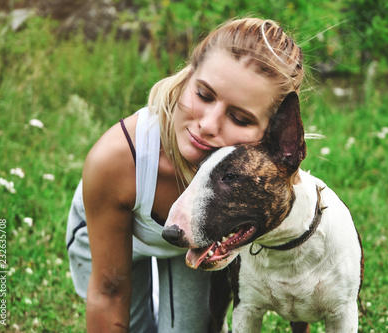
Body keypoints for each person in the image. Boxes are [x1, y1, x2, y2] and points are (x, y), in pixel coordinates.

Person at [66, 17, 304, 332]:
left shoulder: (266, 180)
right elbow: (109, 292)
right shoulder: (119, 158)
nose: (207, 125)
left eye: (239, 118)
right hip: (120, 236)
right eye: (204, 95)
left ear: (271, 134)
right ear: (187, 77)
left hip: (192, 247)